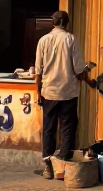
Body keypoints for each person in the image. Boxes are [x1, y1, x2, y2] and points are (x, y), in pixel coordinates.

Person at [33, 10, 93, 179]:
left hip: (48, 92)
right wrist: (88, 78)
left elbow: (38, 70)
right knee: (68, 128)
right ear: (67, 23)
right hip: (68, 92)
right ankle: (63, 167)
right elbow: (79, 70)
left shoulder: (43, 40)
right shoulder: (71, 39)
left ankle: (48, 166)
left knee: (49, 129)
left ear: (53, 22)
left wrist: (38, 92)